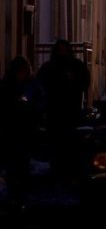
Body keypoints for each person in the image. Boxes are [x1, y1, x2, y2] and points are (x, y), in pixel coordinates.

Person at [37, 38, 89, 176]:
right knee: (57, 140)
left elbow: (85, 82)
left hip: (70, 109)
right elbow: (41, 84)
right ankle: (59, 166)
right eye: (60, 50)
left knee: (69, 140)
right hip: (56, 110)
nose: (62, 52)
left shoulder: (76, 66)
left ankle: (67, 166)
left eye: (64, 49)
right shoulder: (50, 67)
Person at [0, 56, 44, 210]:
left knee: (22, 163)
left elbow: (40, 103)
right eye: (19, 71)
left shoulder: (32, 85)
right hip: (11, 130)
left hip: (26, 129)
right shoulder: (7, 85)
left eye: (24, 71)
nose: (21, 74)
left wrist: (31, 108)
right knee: (13, 163)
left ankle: (20, 194)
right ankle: (14, 194)